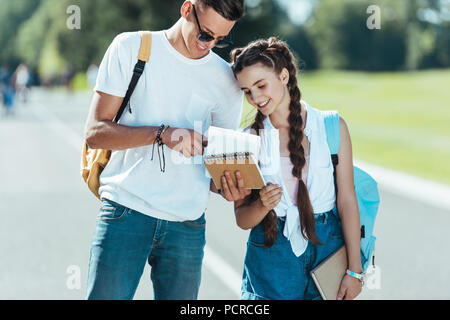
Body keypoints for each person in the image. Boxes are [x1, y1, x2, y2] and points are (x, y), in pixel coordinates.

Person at [84, 0, 248, 300]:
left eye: (221, 41)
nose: (210, 46)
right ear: (187, 10)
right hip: (124, 211)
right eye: (205, 35)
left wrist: (230, 187)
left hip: (187, 226)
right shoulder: (131, 47)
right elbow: (95, 133)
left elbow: (216, 171)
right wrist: (163, 134)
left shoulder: (227, 81)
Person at [230, 37, 364, 300]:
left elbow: (347, 200)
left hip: (328, 248)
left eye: (260, 85)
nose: (255, 97)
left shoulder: (332, 127)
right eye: (247, 91)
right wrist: (262, 205)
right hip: (270, 253)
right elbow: (242, 219)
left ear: (283, 75)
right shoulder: (246, 140)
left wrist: (355, 270)